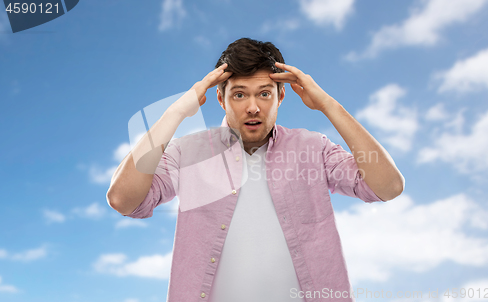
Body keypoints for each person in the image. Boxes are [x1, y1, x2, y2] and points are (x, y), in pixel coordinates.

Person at [106, 37, 404, 302]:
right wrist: (176, 112)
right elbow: (123, 199)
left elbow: (388, 187)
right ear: (220, 98)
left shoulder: (314, 148)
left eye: (264, 93)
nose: (253, 107)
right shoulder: (189, 152)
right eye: (239, 94)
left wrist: (328, 105)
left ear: (280, 97)